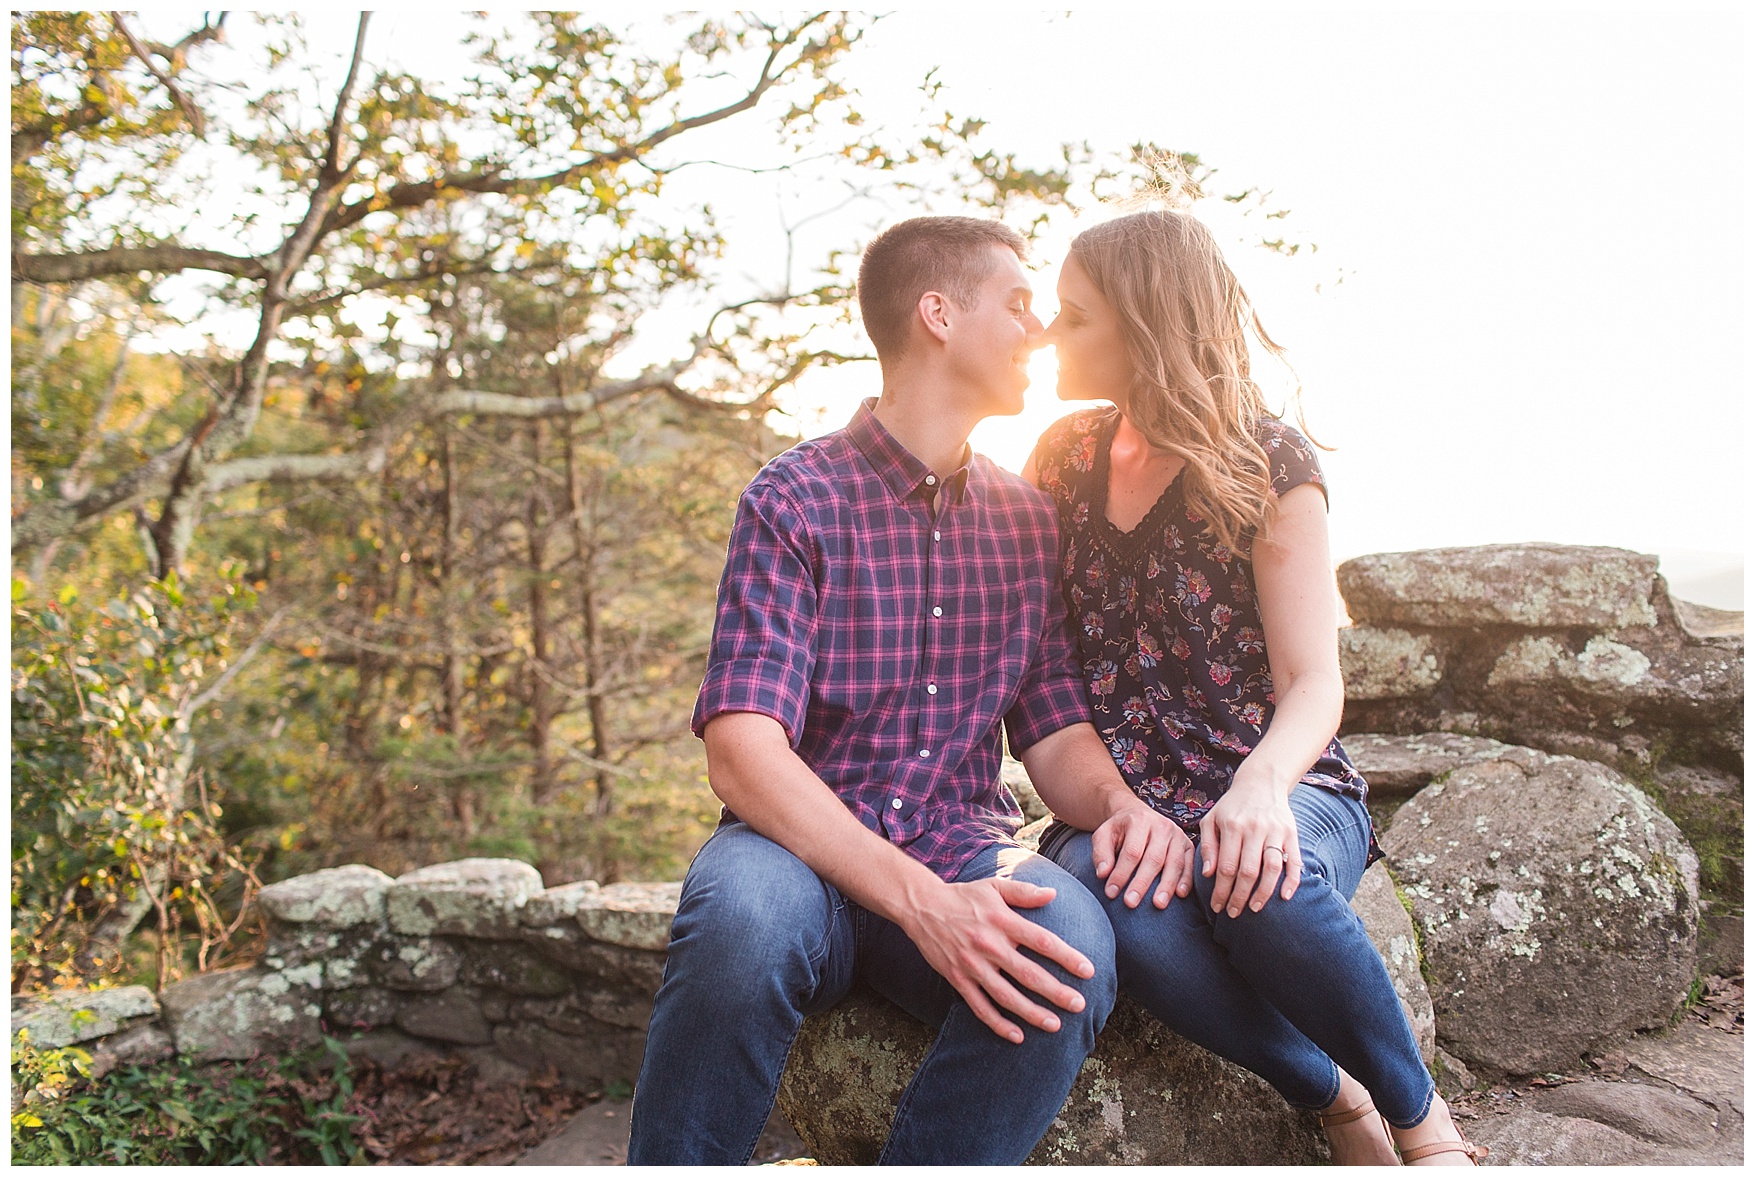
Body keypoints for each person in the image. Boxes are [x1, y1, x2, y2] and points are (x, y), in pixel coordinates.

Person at [627, 216, 1193, 1165]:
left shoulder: (1027, 521)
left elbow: (1052, 731)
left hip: (959, 841)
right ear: (937, 314)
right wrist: (922, 903)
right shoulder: (793, 496)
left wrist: (1122, 807)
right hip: (792, 850)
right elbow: (741, 750)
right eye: (1017, 304)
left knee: (1069, 957)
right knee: (741, 928)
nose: (1040, 327)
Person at [1023, 209, 1487, 1166]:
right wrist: (1114, 808)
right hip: (1122, 807)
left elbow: (1314, 680)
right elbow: (1047, 680)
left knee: (1261, 889)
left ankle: (1426, 1128)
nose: (1047, 333)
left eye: (1075, 317)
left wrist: (1260, 788)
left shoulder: (1266, 460)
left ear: (1143, 323)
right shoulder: (1060, 459)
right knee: (1117, 913)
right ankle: (1336, 1094)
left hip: (1280, 779)